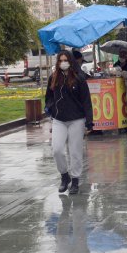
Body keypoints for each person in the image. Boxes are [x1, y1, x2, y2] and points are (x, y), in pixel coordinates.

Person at [45, 50, 94, 195]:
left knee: (75, 151)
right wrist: (51, 108)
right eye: (60, 61)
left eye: (65, 60)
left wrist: (89, 122)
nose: (63, 63)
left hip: (76, 120)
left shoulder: (79, 78)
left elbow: (86, 101)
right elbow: (48, 96)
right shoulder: (53, 77)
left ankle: (75, 180)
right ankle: (64, 176)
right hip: (59, 119)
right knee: (57, 149)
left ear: (70, 61)